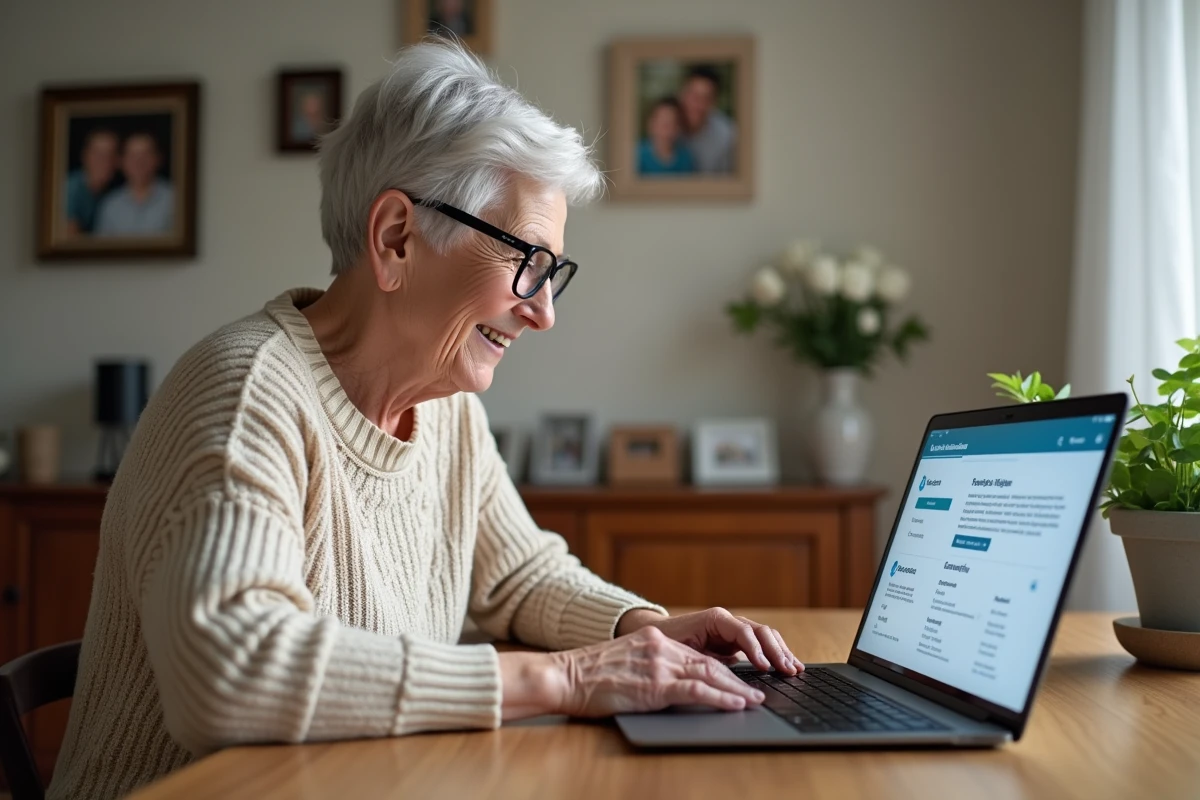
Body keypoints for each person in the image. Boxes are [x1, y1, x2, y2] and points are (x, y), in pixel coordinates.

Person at [47, 41, 800, 800]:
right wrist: (568, 678)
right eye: (527, 261)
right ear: (396, 238)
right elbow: (231, 672)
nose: (542, 312)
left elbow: (518, 576)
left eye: (554, 273)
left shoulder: (444, 409)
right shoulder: (246, 393)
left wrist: (640, 628)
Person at [94, 132, 174, 236]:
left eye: (145, 155)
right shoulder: (110, 205)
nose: (138, 162)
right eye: (132, 156)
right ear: (121, 161)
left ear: (157, 159)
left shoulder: (175, 200)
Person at [678, 65, 737, 174]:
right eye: (694, 96)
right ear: (682, 95)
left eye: (706, 99)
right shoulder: (666, 124)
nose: (697, 105)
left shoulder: (727, 136)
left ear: (714, 103)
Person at [63, 128, 119, 235]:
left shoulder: (111, 193)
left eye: (109, 155)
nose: (103, 161)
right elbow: (69, 240)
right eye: (97, 154)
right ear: (85, 156)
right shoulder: (70, 189)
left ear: (117, 161)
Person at [637, 97, 695, 175]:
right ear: (651, 124)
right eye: (662, 121)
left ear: (678, 128)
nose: (666, 128)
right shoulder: (637, 156)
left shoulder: (686, 160)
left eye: (671, 122)